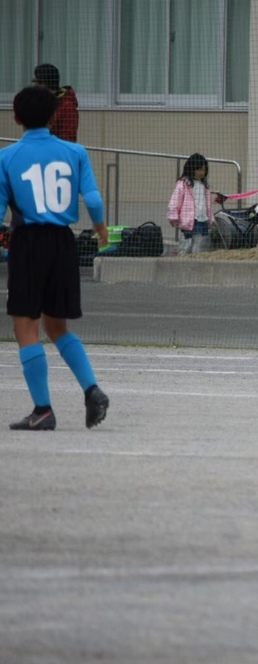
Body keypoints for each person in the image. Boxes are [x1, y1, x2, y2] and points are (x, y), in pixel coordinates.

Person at [0, 86, 110, 431]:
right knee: (57, 325)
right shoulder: (75, 152)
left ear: (16, 118)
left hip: (28, 241)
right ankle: (91, 389)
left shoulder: (7, 157)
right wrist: (100, 228)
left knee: (25, 324)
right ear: (53, 117)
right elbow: (93, 198)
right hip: (64, 242)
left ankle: (43, 409)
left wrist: (4, 242)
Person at [168, 153, 217, 255]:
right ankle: (183, 259)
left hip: (202, 218)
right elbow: (175, 200)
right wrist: (173, 215)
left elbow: (207, 205)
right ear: (191, 169)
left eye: (204, 170)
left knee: (199, 244)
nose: (202, 172)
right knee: (186, 244)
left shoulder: (205, 186)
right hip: (189, 220)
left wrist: (210, 218)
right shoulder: (183, 184)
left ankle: (195, 260)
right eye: (199, 170)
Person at [32, 64, 78, 142]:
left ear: (45, 82)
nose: (34, 86)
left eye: (36, 82)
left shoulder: (67, 105)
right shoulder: (42, 102)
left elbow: (68, 137)